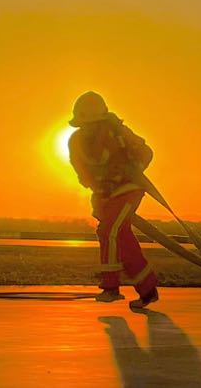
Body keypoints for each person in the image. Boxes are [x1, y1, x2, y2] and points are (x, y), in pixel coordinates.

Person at [67, 91, 159, 309]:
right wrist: (96, 187)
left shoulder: (118, 133)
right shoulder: (75, 142)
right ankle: (148, 290)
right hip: (103, 195)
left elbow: (147, 153)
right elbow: (79, 169)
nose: (88, 129)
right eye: (84, 124)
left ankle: (110, 287)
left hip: (128, 189)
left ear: (100, 121)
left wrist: (131, 169)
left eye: (91, 124)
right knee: (121, 236)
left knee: (110, 231)